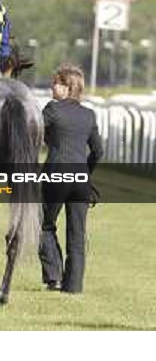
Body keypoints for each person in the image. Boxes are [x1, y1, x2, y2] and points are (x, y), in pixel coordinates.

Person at [39, 64, 103, 294]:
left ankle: (54, 277)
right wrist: (86, 173)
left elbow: (35, 133)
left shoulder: (52, 110)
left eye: (56, 82)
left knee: (43, 224)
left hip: (56, 175)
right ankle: (73, 286)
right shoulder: (89, 115)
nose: (52, 86)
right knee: (77, 234)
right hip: (81, 179)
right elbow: (98, 151)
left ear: (68, 87)